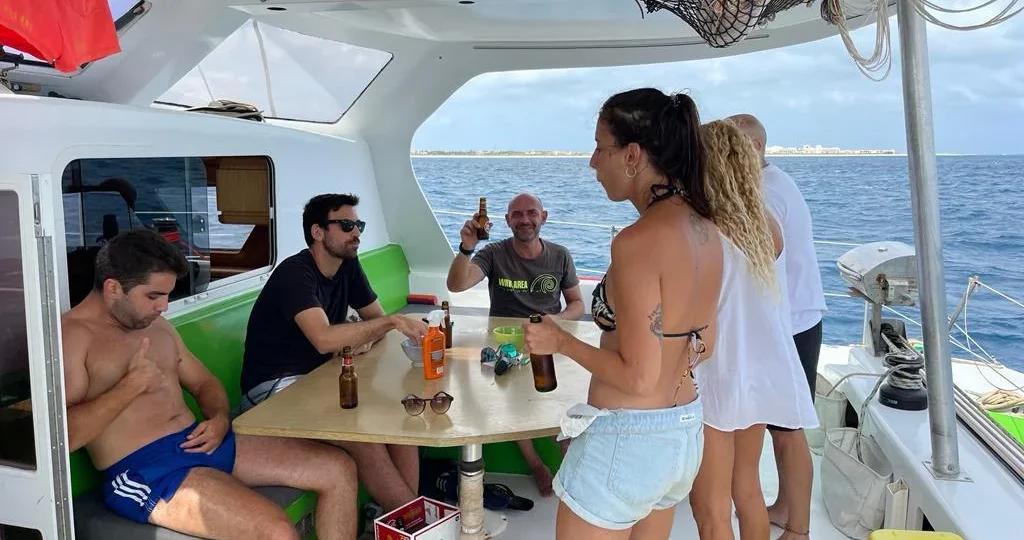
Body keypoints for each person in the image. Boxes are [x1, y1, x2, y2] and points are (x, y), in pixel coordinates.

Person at [62, 229, 359, 540]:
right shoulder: (73, 337)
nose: (163, 307)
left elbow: (204, 383)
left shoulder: (157, 325)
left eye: (167, 296)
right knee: (276, 532)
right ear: (112, 288)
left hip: (203, 441)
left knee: (338, 469)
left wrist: (218, 419)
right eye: (153, 296)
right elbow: (64, 437)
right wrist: (131, 386)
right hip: (145, 471)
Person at [522, 88, 723, 539]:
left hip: (628, 440)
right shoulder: (706, 229)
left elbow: (637, 379)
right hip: (684, 430)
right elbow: (706, 345)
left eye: (600, 147)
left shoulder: (637, 242)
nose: (593, 162)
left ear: (633, 155)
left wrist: (561, 342)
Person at [239, 193, 428, 513]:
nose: (356, 233)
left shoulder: (348, 265)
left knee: (400, 415)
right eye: (346, 225)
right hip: (273, 388)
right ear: (317, 232)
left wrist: (363, 334)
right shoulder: (295, 274)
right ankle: (416, 521)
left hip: (320, 376)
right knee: (361, 438)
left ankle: (399, 520)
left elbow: (373, 321)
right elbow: (325, 340)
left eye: (358, 225)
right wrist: (386, 323)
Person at [687, 119, 818, 540]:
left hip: (720, 373)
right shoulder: (766, 226)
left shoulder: (703, 229)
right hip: (762, 372)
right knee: (746, 489)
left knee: (709, 506)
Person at [728, 113, 827, 540]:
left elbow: (763, 251)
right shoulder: (773, 182)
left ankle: (799, 529)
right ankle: (785, 506)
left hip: (793, 324)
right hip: (795, 319)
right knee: (778, 427)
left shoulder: (765, 192)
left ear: (751, 149)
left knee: (788, 432)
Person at [446, 192, 584, 495]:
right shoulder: (493, 253)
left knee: (559, 402)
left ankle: (570, 465)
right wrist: (466, 248)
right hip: (503, 345)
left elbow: (576, 304)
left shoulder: (560, 255)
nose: (525, 220)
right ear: (508, 221)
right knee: (513, 405)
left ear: (543, 217)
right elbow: (456, 285)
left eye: (531, 213)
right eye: (517, 215)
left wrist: (555, 320)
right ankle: (535, 465)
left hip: (547, 341)